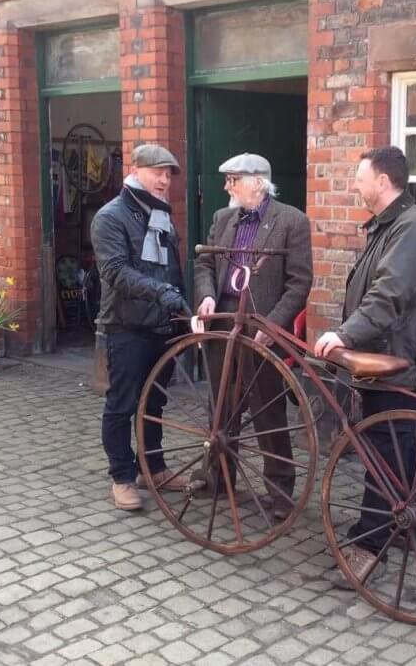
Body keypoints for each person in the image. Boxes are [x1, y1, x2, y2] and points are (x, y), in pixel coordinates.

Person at [314, 145, 416, 586]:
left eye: (361, 177)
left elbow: (389, 294)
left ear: (383, 181)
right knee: (391, 446)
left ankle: (372, 544)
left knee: (385, 450)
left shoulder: (409, 227)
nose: (356, 184)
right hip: (382, 357)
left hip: (395, 360)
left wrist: (346, 335)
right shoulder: (391, 225)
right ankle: (398, 526)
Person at [194, 153, 313, 520]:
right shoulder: (223, 218)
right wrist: (206, 295)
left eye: (233, 180)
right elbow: (203, 264)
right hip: (224, 319)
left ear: (258, 182)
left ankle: (280, 491)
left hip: (262, 325)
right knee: (221, 406)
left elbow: (299, 282)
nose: (227, 187)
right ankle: (218, 476)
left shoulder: (291, 220)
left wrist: (271, 326)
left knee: (267, 411)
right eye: (227, 180)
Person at [91, 144, 191, 512]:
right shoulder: (110, 217)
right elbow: (116, 272)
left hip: (162, 326)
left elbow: (172, 270)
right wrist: (163, 293)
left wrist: (180, 308)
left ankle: (154, 468)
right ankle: (122, 476)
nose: (165, 180)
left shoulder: (162, 215)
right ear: (135, 171)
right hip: (126, 326)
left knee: (154, 402)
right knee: (122, 404)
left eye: (169, 174)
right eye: (158, 172)